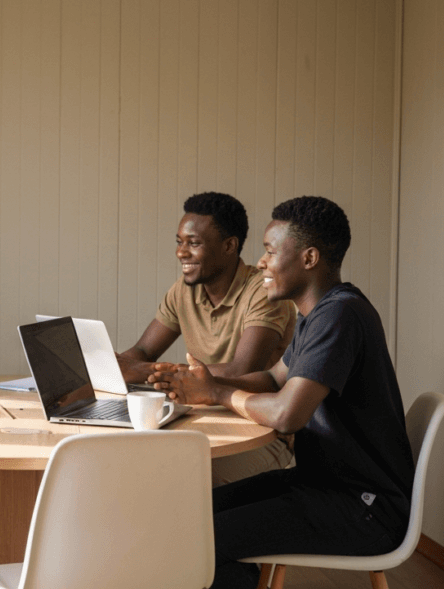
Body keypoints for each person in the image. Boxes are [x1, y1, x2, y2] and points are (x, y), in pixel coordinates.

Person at [151, 196, 415, 589]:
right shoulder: (319, 313)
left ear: (309, 258)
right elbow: (275, 379)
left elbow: (288, 414)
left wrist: (219, 396)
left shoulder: (341, 315)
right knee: (192, 516)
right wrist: (208, 384)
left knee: (197, 538)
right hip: (321, 485)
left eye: (270, 251)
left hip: (364, 509)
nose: (260, 262)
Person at [117, 192, 297, 484]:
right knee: (131, 470)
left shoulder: (263, 292)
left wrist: (142, 371)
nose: (181, 253)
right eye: (179, 242)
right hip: (200, 423)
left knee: (171, 483)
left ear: (229, 246)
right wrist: (109, 366)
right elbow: (142, 350)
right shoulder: (185, 290)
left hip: (260, 435)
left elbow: (242, 370)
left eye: (194, 243)